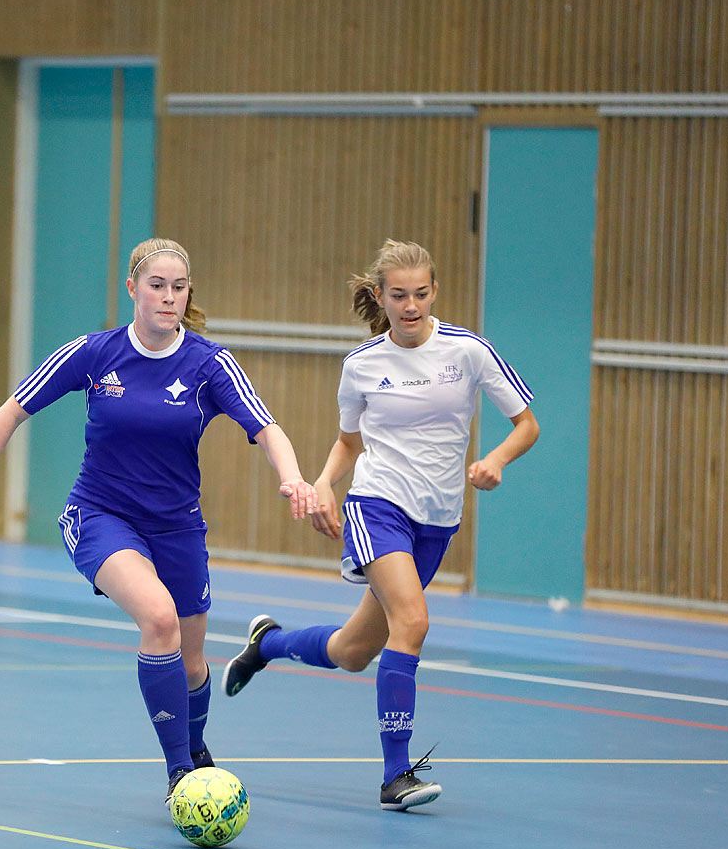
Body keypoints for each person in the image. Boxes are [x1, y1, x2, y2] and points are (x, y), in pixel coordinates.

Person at [0, 237, 318, 801]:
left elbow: (266, 427)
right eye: (157, 286)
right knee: (157, 618)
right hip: (100, 514)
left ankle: (195, 747)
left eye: (179, 288)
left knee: (191, 660)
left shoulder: (210, 363)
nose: (168, 297)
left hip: (178, 526)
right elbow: (11, 411)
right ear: (132, 288)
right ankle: (180, 773)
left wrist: (294, 477)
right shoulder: (94, 354)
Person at [221, 239, 539, 811]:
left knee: (352, 650)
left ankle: (267, 644)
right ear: (380, 297)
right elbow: (349, 442)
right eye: (399, 295)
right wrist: (323, 484)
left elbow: (526, 424)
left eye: (421, 294)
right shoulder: (362, 364)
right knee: (412, 622)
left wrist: (495, 460)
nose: (411, 305)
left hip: (437, 519)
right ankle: (397, 776)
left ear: (434, 292)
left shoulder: (468, 352)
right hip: (377, 504)